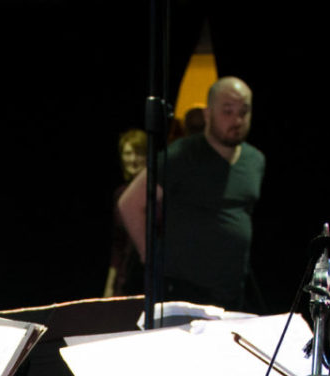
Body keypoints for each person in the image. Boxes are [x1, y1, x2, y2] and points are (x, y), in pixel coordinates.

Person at [117, 77, 264, 311]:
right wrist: (149, 257)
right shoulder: (182, 155)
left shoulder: (254, 160)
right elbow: (130, 203)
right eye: (227, 111)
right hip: (185, 291)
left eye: (244, 112)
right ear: (208, 114)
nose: (237, 120)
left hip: (231, 292)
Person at [104, 129, 146, 298]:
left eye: (139, 153)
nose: (133, 159)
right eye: (128, 153)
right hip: (125, 279)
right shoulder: (120, 194)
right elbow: (118, 245)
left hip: (148, 278)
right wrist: (109, 288)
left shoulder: (156, 194)